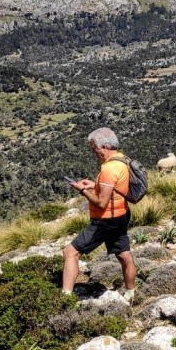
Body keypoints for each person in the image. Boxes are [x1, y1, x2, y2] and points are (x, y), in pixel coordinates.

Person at [63, 127, 137, 300]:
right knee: (123, 254)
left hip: (104, 221)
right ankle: (130, 294)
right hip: (122, 215)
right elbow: (114, 189)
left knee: (70, 252)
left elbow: (101, 202)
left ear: (104, 146)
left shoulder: (108, 169)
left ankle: (65, 297)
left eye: (94, 148)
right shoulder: (122, 160)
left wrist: (82, 190)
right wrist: (95, 185)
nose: (94, 152)